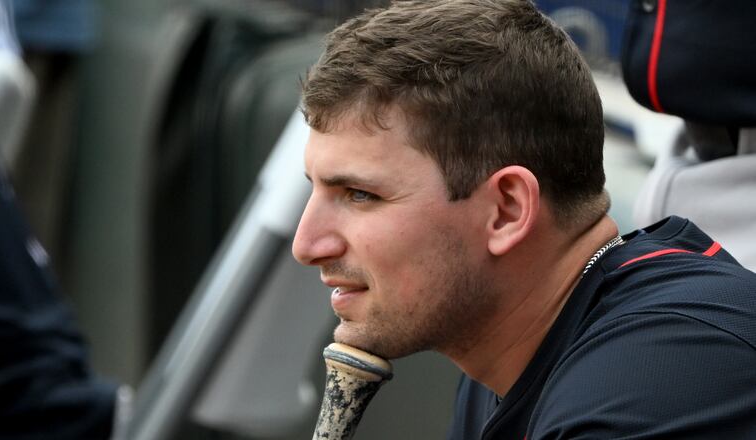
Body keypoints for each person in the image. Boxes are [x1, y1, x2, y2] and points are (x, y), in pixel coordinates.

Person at [290, 0, 756, 438]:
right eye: (315, 188)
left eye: (359, 194)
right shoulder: (504, 351)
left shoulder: (658, 381)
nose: (306, 245)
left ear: (507, 210)